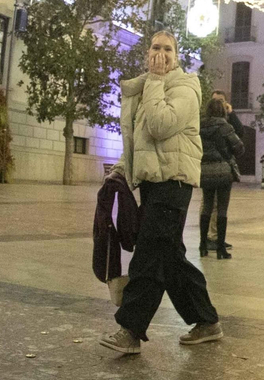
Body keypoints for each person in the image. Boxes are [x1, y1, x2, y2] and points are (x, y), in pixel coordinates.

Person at [100, 31, 223, 354]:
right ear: (147, 52)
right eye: (156, 47)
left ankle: (130, 330)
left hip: (175, 180)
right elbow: (138, 139)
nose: (161, 54)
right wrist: (121, 168)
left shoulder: (185, 87)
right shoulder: (145, 88)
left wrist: (154, 80)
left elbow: (160, 125)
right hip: (154, 181)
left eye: (168, 49)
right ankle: (206, 321)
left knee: (149, 254)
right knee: (169, 257)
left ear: (176, 56)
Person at [198, 95, 241, 259]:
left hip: (205, 172)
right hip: (223, 172)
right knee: (222, 209)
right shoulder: (225, 126)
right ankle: (221, 248)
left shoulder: (199, 126)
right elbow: (239, 147)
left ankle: (203, 245)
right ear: (223, 111)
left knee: (207, 207)